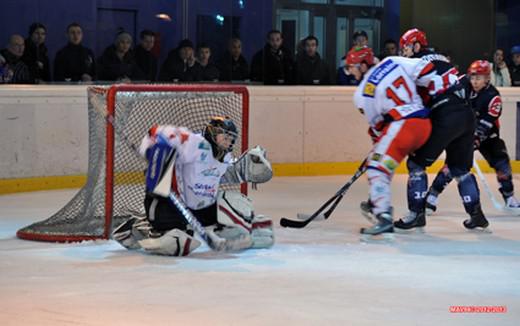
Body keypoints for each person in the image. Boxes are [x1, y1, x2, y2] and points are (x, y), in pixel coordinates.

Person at [112, 117, 275, 256]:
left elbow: (215, 174)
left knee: (239, 207)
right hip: (172, 203)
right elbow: (158, 132)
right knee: (178, 244)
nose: (228, 142)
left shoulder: (225, 157)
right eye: (224, 137)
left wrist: (244, 168)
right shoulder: (196, 143)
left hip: (201, 210)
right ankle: (141, 226)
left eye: (231, 139)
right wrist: (157, 156)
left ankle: (228, 228)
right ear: (212, 132)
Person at [395, 28, 488, 230]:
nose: (405, 52)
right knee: (461, 169)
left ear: (417, 45)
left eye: (407, 47)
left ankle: (416, 213)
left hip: (445, 114)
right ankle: (476, 214)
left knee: (416, 164)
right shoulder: (442, 58)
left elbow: (415, 100)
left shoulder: (414, 63)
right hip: (466, 115)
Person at [350, 47, 433, 235]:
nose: (350, 72)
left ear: (363, 65)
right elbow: (425, 71)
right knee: (383, 165)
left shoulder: (362, 92)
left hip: (404, 126)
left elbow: (377, 126)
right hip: (425, 124)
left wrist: (376, 150)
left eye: (352, 67)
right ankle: (377, 201)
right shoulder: (393, 61)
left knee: (376, 168)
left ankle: (383, 215)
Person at [425, 60, 520, 214]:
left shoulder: (493, 97)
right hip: (464, 133)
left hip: (489, 137)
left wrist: (477, 137)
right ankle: (432, 196)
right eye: (473, 77)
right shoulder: (463, 84)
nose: (475, 81)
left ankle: (509, 197)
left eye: (479, 78)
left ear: (487, 79)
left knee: (502, 163)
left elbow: (488, 121)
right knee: (452, 165)